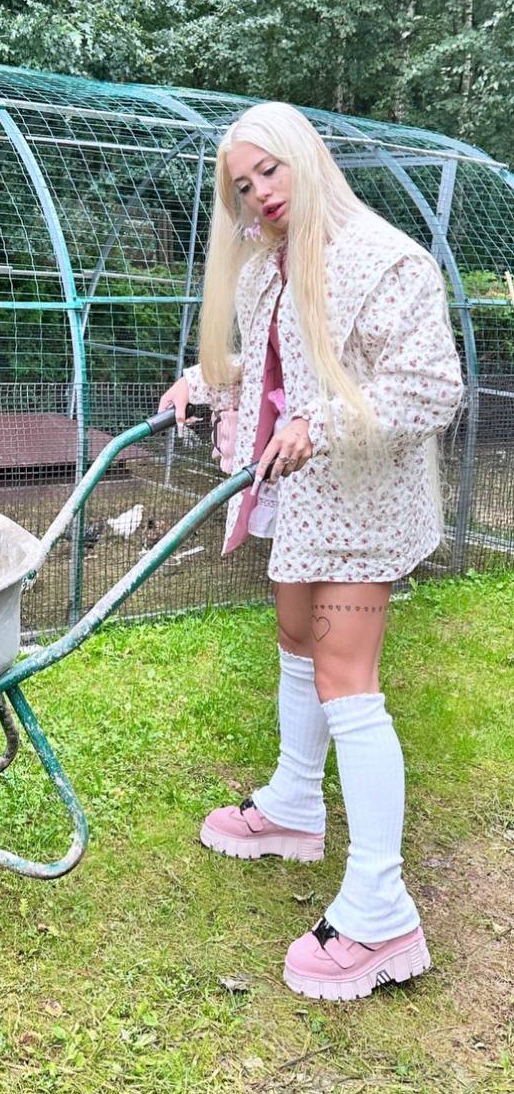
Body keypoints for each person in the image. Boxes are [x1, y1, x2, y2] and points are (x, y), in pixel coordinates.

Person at [158, 102, 464, 1002]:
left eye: (270, 170)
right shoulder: (268, 266)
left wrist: (320, 425)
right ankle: (295, 805)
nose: (260, 193)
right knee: (296, 638)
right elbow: (268, 369)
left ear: (307, 158)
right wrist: (201, 379)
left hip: (363, 502)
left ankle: (381, 909)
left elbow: (430, 388)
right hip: (303, 498)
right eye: (242, 185)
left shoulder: (386, 262)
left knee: (346, 678)